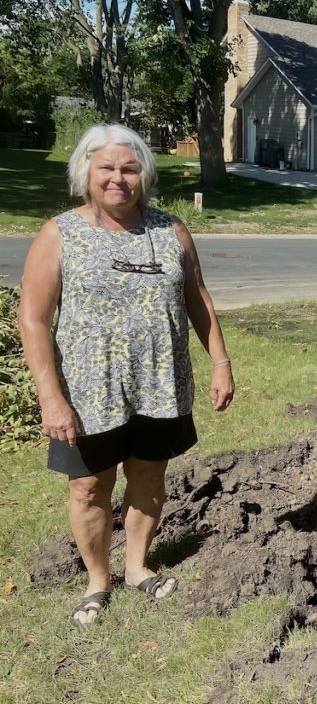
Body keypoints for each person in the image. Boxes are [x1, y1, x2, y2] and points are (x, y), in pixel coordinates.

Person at [18, 124, 234, 626]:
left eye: (129, 168)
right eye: (107, 168)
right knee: (88, 487)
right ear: (86, 173)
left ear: (145, 174)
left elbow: (197, 298)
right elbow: (33, 318)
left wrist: (220, 362)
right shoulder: (60, 233)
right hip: (88, 393)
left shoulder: (171, 229)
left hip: (161, 385)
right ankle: (98, 580)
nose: (118, 178)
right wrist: (51, 398)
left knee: (149, 476)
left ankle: (137, 567)